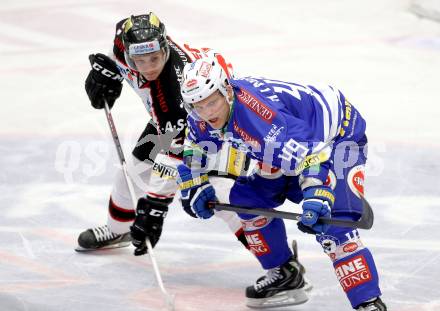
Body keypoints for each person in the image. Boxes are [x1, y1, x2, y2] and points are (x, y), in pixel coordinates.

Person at [176, 56, 387, 310]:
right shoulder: (203, 114)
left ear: (227, 91)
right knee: (248, 201)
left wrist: (317, 195)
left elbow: (312, 153)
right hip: (285, 146)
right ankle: (285, 273)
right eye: (198, 105)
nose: (207, 112)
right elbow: (194, 147)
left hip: (337, 137)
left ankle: (368, 303)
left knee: (334, 225)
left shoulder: (258, 120)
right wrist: (194, 182)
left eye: (212, 102)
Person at [78, 12, 253, 254]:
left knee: (220, 194)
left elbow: (175, 159)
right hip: (169, 122)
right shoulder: (122, 44)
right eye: (140, 61)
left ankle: (280, 263)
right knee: (132, 173)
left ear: (165, 48)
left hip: (216, 125)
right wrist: (108, 71)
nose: (149, 67)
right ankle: (118, 230)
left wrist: (155, 207)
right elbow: (115, 54)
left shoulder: (173, 92)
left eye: (154, 59)